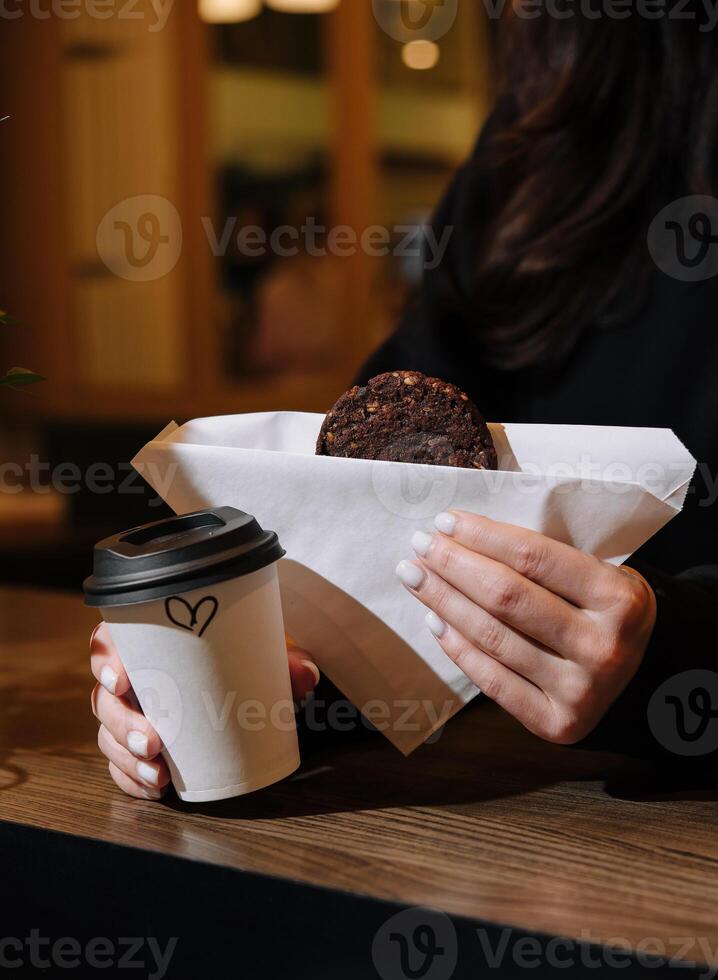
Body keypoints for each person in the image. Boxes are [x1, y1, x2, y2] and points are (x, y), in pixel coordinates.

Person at [90, 12, 718, 798]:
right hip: (476, 821)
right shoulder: (544, 133)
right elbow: (364, 504)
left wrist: (680, 655)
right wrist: (239, 651)